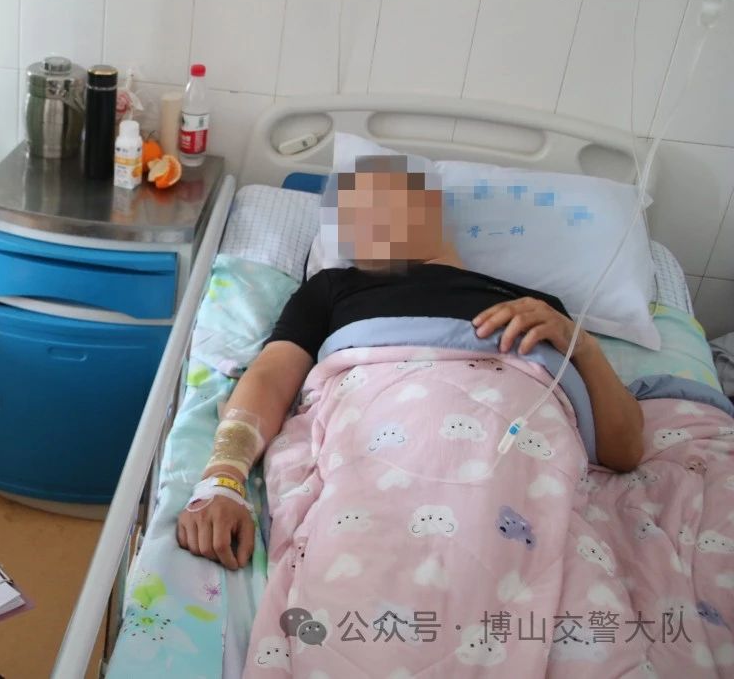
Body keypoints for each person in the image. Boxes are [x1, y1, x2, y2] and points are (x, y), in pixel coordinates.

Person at [177, 155, 645, 571]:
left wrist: (583, 347)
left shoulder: (537, 306)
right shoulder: (332, 288)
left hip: (520, 471)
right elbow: (270, 377)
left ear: (431, 209)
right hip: (383, 449)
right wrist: (223, 477)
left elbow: (624, 452)